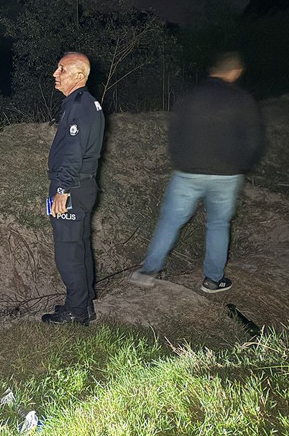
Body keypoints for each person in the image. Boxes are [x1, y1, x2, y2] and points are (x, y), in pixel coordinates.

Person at [129, 52, 264, 293]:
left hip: (188, 172)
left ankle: (148, 271)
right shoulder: (242, 99)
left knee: (170, 221)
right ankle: (213, 280)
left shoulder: (190, 96)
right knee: (218, 224)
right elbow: (254, 139)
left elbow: (174, 132)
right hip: (226, 174)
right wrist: (243, 165)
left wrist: (181, 160)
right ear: (235, 72)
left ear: (213, 70)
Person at [41, 52, 104, 326]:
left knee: (68, 250)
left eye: (62, 69)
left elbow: (73, 151)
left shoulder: (79, 106)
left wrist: (62, 189)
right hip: (84, 185)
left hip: (72, 187)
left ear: (79, 76)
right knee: (80, 247)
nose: (56, 73)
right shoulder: (87, 103)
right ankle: (85, 303)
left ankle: (76, 310)